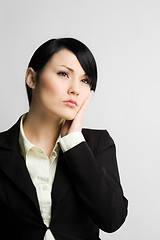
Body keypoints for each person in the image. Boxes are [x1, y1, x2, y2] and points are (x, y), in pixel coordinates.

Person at [0, 38, 128, 240]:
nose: (75, 89)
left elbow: (112, 220)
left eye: (85, 80)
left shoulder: (98, 144)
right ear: (32, 78)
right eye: (63, 74)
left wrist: (74, 143)